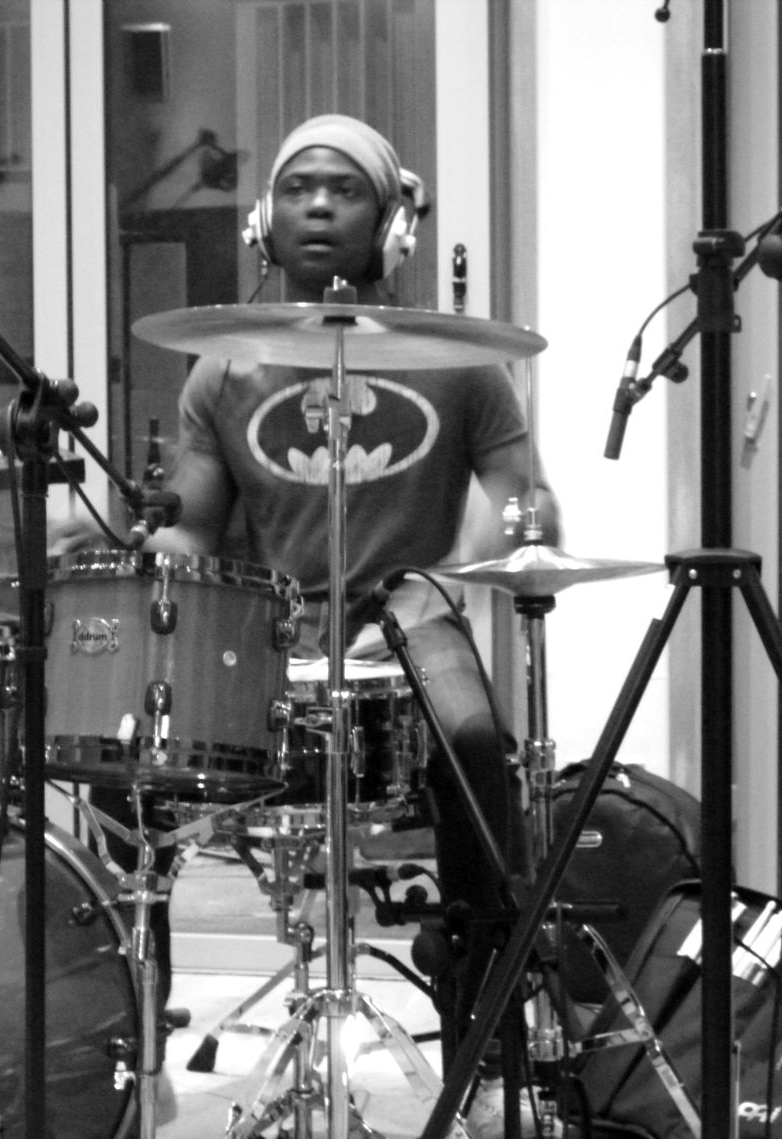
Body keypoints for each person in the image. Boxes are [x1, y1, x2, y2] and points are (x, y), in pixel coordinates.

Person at [137, 113, 562, 1074]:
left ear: (391, 226)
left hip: (413, 622)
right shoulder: (223, 370)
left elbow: (525, 501)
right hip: (270, 631)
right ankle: (137, 1031)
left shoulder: (459, 363)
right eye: (298, 189)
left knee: (478, 749)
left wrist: (444, 583)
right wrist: (126, 543)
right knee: (130, 765)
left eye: (345, 190)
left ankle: (482, 1021)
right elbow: (193, 532)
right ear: (264, 223)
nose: (320, 207)